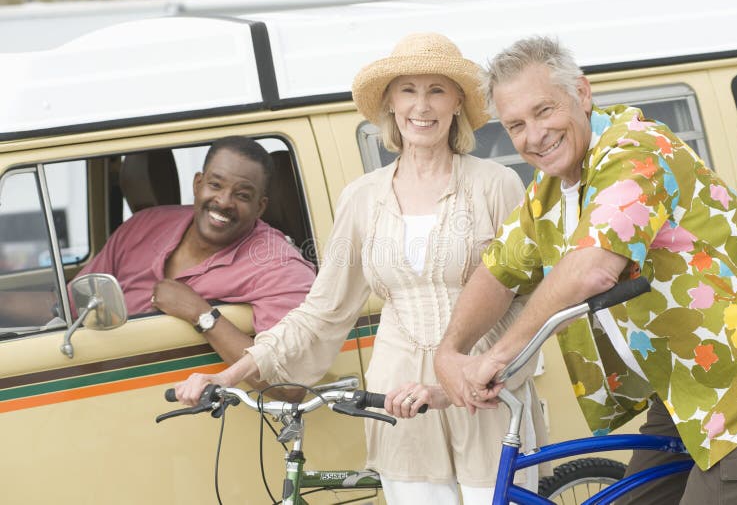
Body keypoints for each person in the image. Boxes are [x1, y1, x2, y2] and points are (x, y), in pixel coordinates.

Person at [173, 33, 547, 504]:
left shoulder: (497, 185)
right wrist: (228, 376)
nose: (422, 105)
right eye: (408, 90)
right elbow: (323, 311)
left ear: (457, 101)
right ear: (391, 101)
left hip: (484, 391)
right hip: (397, 402)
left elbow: (528, 300)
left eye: (436, 90)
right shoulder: (362, 198)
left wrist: (489, 374)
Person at [434, 36, 737, 504]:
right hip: (685, 391)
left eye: (544, 111)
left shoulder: (634, 150)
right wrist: (450, 352)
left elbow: (593, 268)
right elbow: (498, 270)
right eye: (516, 125)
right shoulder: (551, 191)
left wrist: (498, 356)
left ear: (582, 94)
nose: (534, 135)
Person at [74, 136, 316, 366]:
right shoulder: (143, 225)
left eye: (242, 195)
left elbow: (289, 378)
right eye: (215, 185)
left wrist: (201, 313)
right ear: (198, 184)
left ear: (260, 207)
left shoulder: (281, 267)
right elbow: (74, 304)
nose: (224, 201)